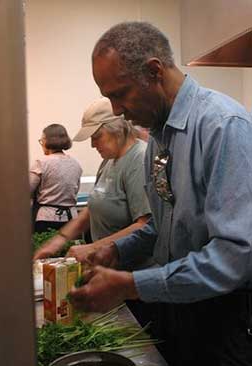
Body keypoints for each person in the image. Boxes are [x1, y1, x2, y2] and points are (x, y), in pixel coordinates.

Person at [68, 22, 252, 366]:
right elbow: (162, 226)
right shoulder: (158, 138)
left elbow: (235, 256)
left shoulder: (222, 127)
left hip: (222, 319)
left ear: (154, 71)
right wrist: (115, 252)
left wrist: (130, 285)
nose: (117, 110)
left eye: (120, 93)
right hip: (176, 307)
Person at [33, 97, 151, 262]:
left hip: (131, 270)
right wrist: (59, 240)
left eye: (96, 136)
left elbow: (145, 224)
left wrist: (93, 247)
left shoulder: (139, 159)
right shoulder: (109, 160)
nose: (92, 145)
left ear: (117, 129)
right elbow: (92, 209)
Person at [30, 123, 82, 233]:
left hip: (47, 219)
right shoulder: (76, 164)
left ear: (46, 141)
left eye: (41, 140)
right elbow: (74, 190)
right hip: (71, 219)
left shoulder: (41, 163)